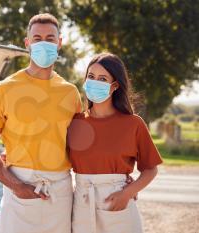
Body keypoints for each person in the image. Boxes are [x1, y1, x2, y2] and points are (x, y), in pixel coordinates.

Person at [0, 13, 82, 233]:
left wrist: (119, 177)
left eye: (50, 39)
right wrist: (17, 186)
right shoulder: (4, 90)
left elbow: (81, 149)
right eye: (37, 38)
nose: (44, 43)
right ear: (27, 44)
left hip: (60, 192)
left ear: (59, 43)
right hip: (19, 189)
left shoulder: (70, 93)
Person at [68, 52, 162, 233]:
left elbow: (150, 168)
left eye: (102, 79)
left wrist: (127, 193)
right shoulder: (74, 122)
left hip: (118, 204)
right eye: (91, 76)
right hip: (82, 203)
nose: (95, 82)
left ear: (115, 86)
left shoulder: (133, 124)